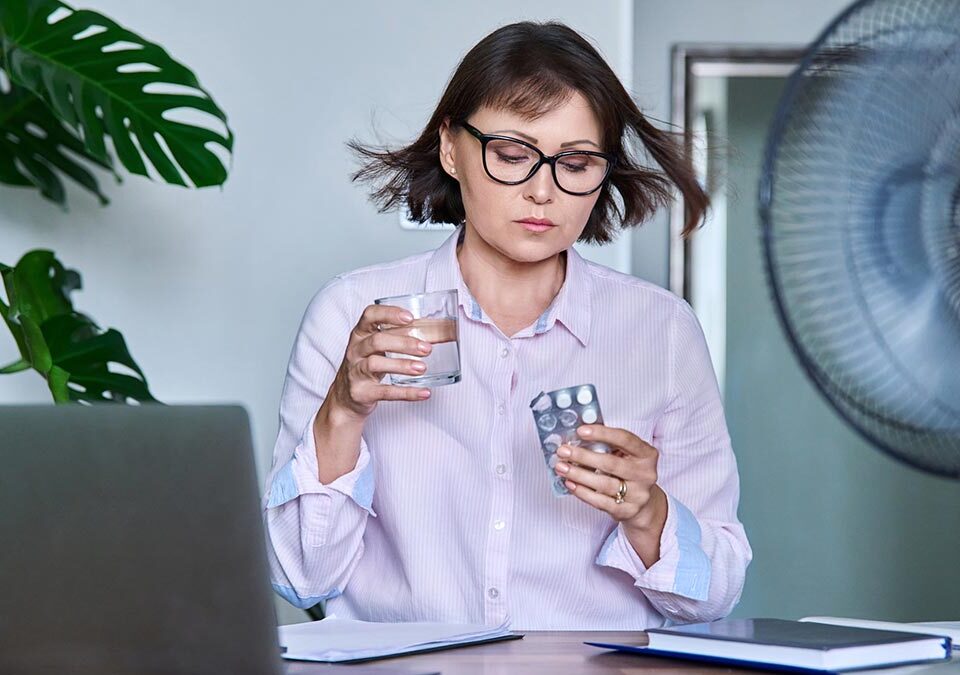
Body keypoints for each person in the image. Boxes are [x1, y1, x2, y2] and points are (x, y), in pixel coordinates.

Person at [262, 21, 751, 630]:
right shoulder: (351, 314)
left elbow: (716, 594)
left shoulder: (662, 333)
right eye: (514, 155)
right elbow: (299, 578)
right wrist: (342, 411)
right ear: (450, 148)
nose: (543, 191)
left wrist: (646, 512)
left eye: (575, 162)